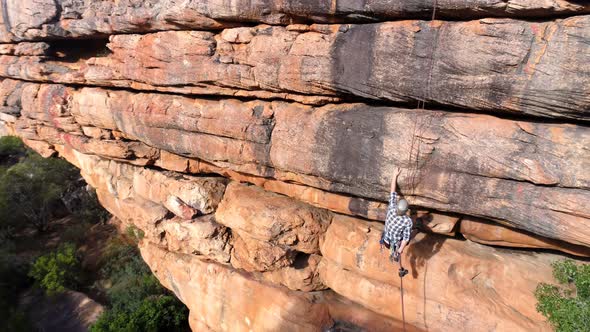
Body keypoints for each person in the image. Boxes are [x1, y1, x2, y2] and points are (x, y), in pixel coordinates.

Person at [380, 166, 413, 277]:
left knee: (394, 246)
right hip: (395, 243)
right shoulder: (407, 221)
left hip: (386, 240)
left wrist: (394, 175)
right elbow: (406, 238)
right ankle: (400, 266)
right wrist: (399, 250)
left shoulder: (392, 208)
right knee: (407, 237)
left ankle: (395, 256)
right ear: (406, 211)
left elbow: (393, 191)